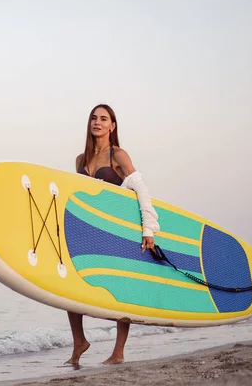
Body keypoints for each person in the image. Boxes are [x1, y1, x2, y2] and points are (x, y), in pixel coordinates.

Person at [66, 103, 161, 367]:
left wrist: (148, 228)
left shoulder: (118, 156)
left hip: (117, 228)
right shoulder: (80, 160)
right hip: (90, 230)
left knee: (121, 289)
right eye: (93, 118)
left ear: (112, 126)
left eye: (103, 119)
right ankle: (79, 343)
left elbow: (140, 188)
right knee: (70, 287)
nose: (97, 122)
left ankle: (118, 352)